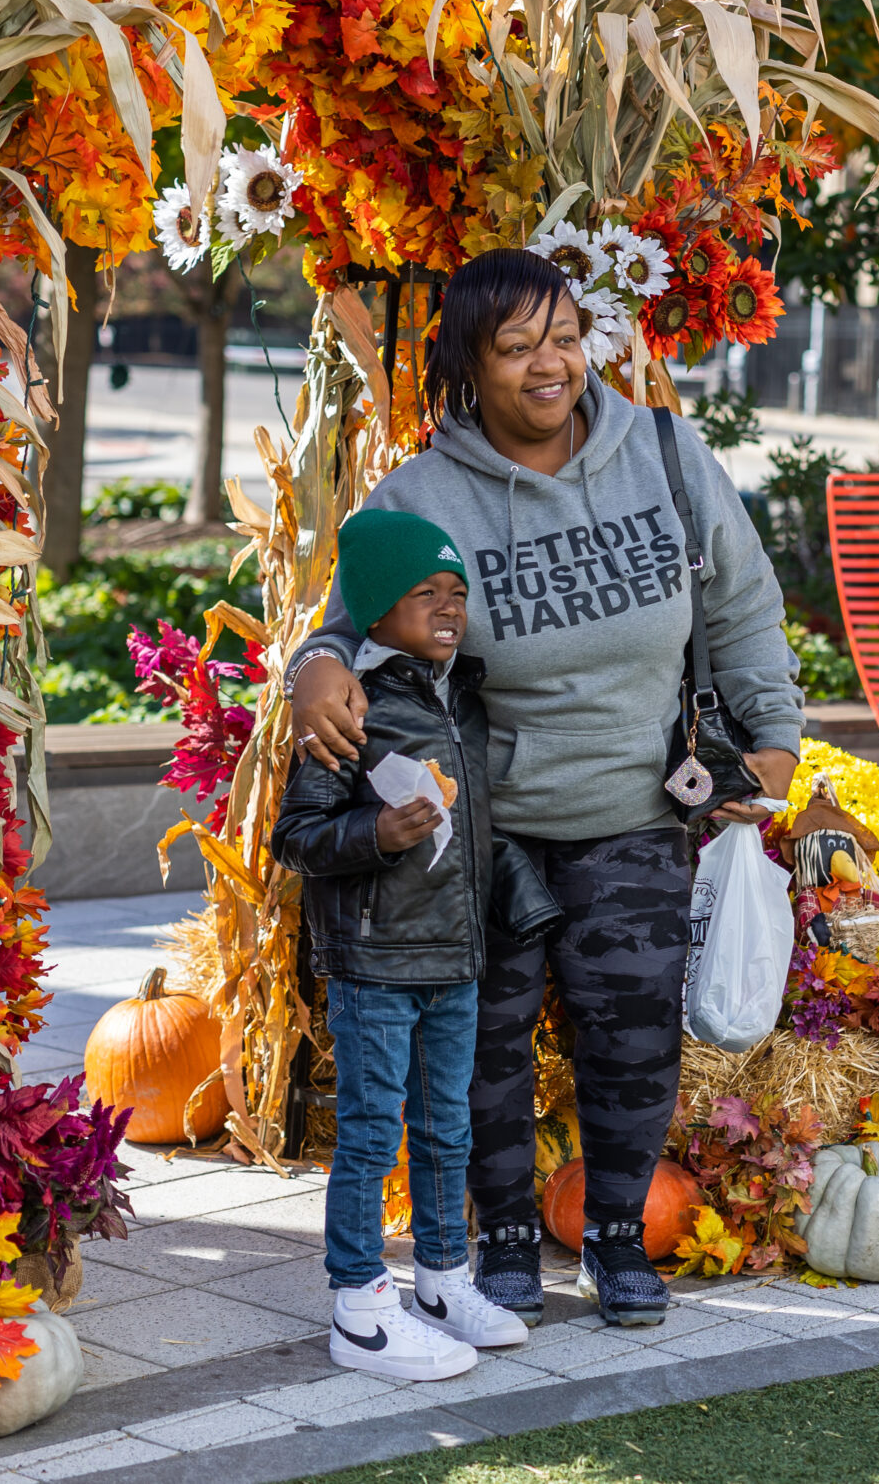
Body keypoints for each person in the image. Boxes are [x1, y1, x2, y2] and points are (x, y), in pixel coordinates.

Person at [285, 249, 801, 1329]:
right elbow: (345, 626)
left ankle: (618, 1238)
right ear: (470, 367)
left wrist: (777, 746)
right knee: (483, 1050)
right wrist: (315, 667)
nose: (547, 364)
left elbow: (745, 605)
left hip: (637, 810)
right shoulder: (424, 494)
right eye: (515, 347)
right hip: (487, 836)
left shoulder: (660, 453)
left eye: (562, 337)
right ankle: (505, 1236)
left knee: (632, 1039)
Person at [271, 508, 529, 1380]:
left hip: (453, 957)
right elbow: (299, 835)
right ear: (375, 609)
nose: (449, 607)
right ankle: (359, 1305)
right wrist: (377, 831)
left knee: (447, 1127)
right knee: (373, 1131)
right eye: (426, 592)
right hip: (377, 961)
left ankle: (442, 1278)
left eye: (457, 592)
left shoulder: (461, 695)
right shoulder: (352, 701)